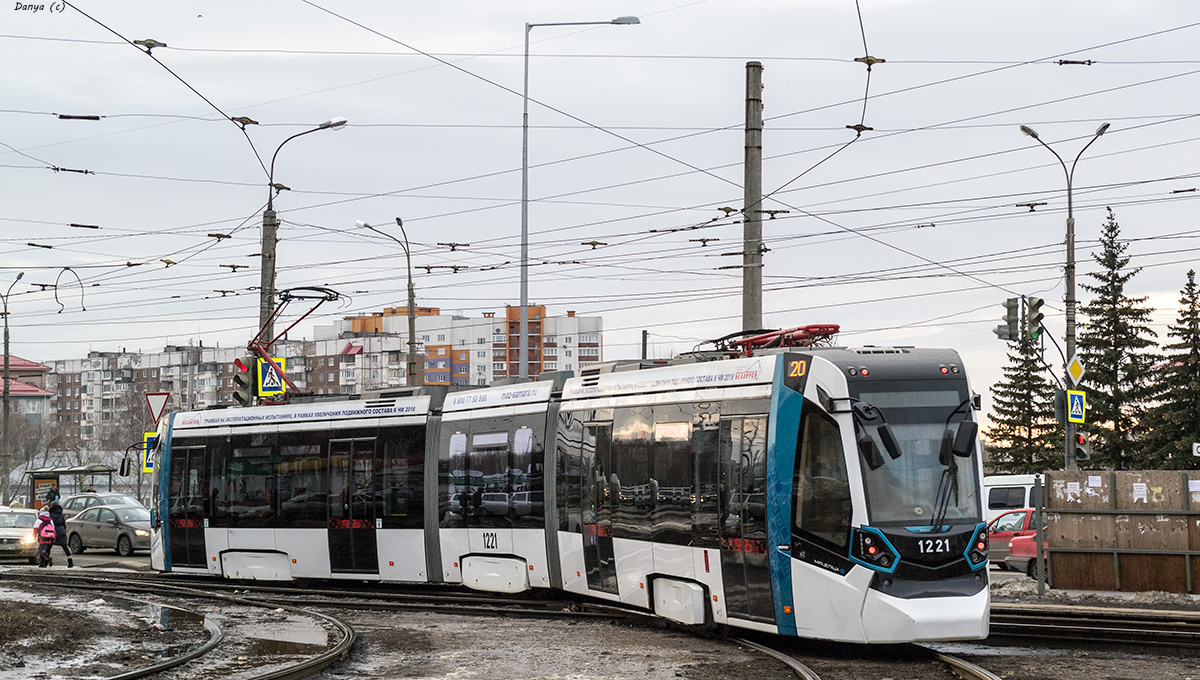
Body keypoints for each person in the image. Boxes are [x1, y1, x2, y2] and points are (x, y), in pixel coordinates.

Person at [47, 501, 73, 568]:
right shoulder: (61, 513)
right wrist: (63, 530)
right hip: (61, 530)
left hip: (54, 531)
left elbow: (51, 523)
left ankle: (46, 561)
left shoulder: (51, 513)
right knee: (65, 547)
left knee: (49, 547)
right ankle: (70, 561)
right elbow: (64, 523)